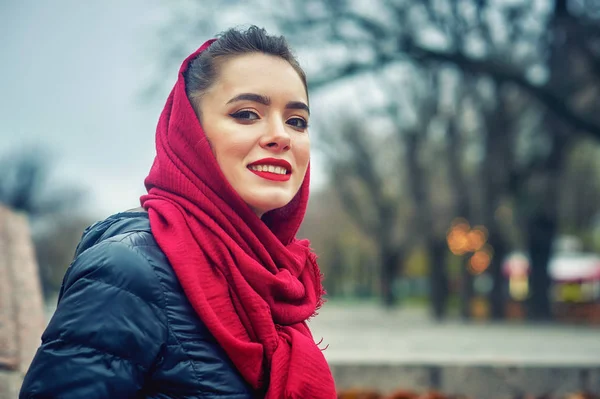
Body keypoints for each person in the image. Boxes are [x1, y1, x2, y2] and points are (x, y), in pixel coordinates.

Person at [20, 26, 336, 399]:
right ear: (189, 132)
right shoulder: (126, 272)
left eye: (296, 121)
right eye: (248, 114)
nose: (280, 135)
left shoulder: (274, 278)